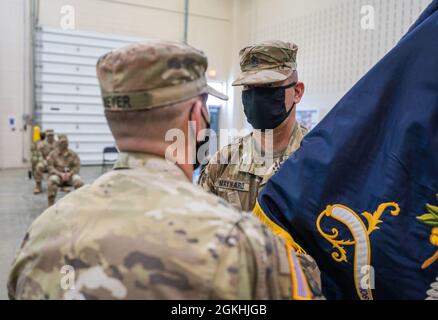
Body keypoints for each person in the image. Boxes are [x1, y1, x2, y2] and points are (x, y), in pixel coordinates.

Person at [8, 41, 323, 300]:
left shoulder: (42, 233)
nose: (256, 100)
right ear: (198, 115)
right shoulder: (245, 246)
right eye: (249, 92)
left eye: (268, 89)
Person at [199, 40, 308, 211]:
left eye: (269, 86)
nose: (256, 98)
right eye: (249, 87)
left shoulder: (317, 159)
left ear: (297, 92)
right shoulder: (222, 162)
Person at [46, 134, 84, 206]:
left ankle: (80, 204)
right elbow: (50, 167)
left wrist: (70, 173)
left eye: (65, 142)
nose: (64, 144)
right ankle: (50, 205)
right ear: (58, 143)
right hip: (58, 176)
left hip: (70, 176)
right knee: (52, 181)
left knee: (78, 181)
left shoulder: (73, 154)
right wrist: (60, 174)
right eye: (62, 142)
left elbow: (77, 166)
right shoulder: (53, 154)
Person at [33, 129, 56, 194]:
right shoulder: (41, 144)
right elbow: (39, 154)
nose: (51, 137)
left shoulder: (57, 143)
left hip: (55, 162)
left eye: (52, 135)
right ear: (46, 136)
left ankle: (63, 185)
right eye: (49, 135)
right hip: (45, 161)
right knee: (39, 166)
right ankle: (38, 186)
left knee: (63, 166)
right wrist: (44, 160)